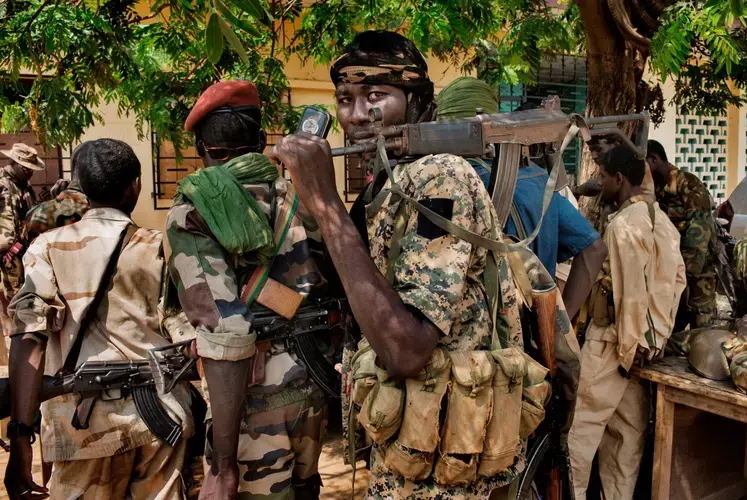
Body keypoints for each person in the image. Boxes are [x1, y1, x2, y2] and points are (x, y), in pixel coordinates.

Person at [270, 30, 530, 499]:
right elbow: (352, 288)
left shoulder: (440, 177)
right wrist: (312, 209)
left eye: (376, 96)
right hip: (409, 446)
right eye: (345, 99)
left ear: (419, 104)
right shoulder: (387, 184)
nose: (356, 116)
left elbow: (407, 350)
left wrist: (328, 203)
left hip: (447, 468)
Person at [4, 138, 194, 499]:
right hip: (160, 421)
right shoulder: (161, 245)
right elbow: (191, 334)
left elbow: (29, 338)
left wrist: (20, 439)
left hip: (83, 431)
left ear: (81, 187)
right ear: (136, 185)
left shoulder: (48, 247)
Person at [165, 80, 328, 499]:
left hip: (246, 401)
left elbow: (227, 332)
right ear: (259, 141)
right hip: (311, 387)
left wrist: (222, 465)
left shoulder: (195, 209)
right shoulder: (301, 193)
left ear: (202, 146)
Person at [567, 145, 685, 500]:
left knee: (580, 436)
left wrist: (630, 346)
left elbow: (630, 290)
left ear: (619, 180)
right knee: (626, 439)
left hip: (612, 344)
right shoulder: (659, 219)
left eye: (603, 177)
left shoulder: (623, 226)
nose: (600, 183)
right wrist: (654, 340)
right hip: (641, 348)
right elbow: (676, 282)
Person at [436, 80, 606, 319]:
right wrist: (559, 324)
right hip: (533, 339)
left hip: (479, 343)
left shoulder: (447, 183)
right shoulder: (536, 179)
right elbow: (594, 249)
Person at [647, 139, 718, 330]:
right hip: (672, 274)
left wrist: (683, 277)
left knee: (703, 334)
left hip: (698, 274)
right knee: (669, 333)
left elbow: (698, 236)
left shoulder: (688, 184)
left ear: (653, 159)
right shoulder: (654, 189)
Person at [0, 143, 44, 362]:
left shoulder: (24, 186)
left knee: (22, 298)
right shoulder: (3, 185)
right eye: (26, 167)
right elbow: (7, 228)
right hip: (8, 256)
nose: (30, 172)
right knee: (14, 301)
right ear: (15, 163)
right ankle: (16, 351)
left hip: (23, 251)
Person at [22, 145, 90, 244]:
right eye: (26, 169)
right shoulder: (110, 207)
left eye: (31, 169)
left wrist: (53, 203)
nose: (30, 173)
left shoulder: (36, 213)